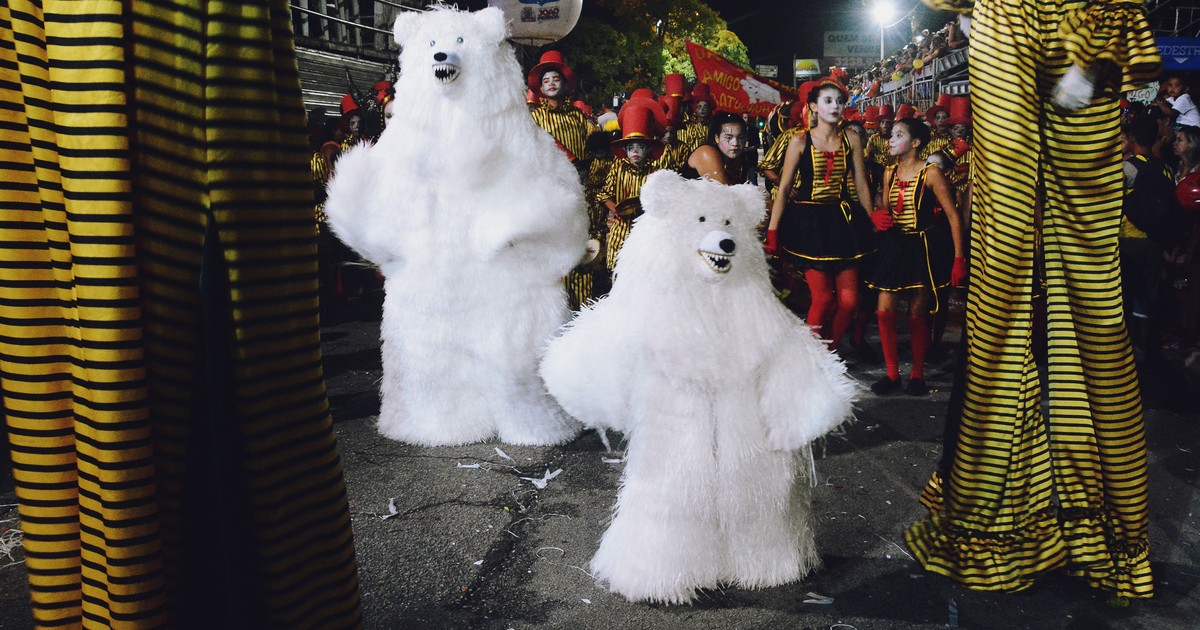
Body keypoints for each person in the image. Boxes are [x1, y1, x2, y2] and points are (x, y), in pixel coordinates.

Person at [906, 0, 1161, 603]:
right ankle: (1043, 523)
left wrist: (1084, 70)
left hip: (1068, 33)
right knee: (1016, 327)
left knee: (1077, 323)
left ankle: (1078, 527)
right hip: (1020, 34)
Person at [764, 77, 876, 350]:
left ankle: (829, 351)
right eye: (828, 101)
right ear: (813, 106)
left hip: (842, 222)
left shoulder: (851, 139)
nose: (835, 106)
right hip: (809, 224)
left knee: (849, 300)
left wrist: (871, 219)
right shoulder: (800, 141)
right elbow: (786, 185)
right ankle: (813, 358)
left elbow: (861, 183)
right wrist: (773, 231)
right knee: (823, 298)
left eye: (839, 101)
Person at [866, 118, 966, 395]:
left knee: (917, 314)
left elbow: (953, 216)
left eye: (899, 134)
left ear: (916, 143)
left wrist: (959, 257)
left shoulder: (931, 173)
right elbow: (884, 207)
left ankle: (918, 375)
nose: (891, 139)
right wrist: (879, 216)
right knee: (884, 312)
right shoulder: (889, 172)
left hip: (922, 247)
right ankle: (891, 373)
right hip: (894, 247)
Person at [1120, 116, 1179, 354]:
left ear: (1133, 139)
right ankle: (1145, 345)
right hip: (1155, 241)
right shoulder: (1165, 168)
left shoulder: (1129, 167)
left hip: (1129, 238)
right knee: (1147, 297)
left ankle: (1123, 347)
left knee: (1126, 293)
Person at [600, 104, 664, 274]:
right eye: (630, 148)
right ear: (625, 150)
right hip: (621, 228)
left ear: (648, 149)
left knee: (642, 272)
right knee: (618, 273)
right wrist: (617, 209)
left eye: (640, 147)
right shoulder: (618, 167)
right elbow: (603, 194)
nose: (635, 151)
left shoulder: (654, 171)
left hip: (645, 229)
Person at [527, 50, 591, 168]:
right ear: (541, 88)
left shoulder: (578, 115)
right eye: (546, 81)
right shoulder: (535, 117)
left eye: (556, 80)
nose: (551, 83)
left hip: (580, 177)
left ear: (565, 85)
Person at [682, 111, 751, 185]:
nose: (735, 143)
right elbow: (724, 188)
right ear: (717, 138)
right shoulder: (706, 152)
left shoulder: (741, 158)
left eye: (741, 138)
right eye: (728, 138)